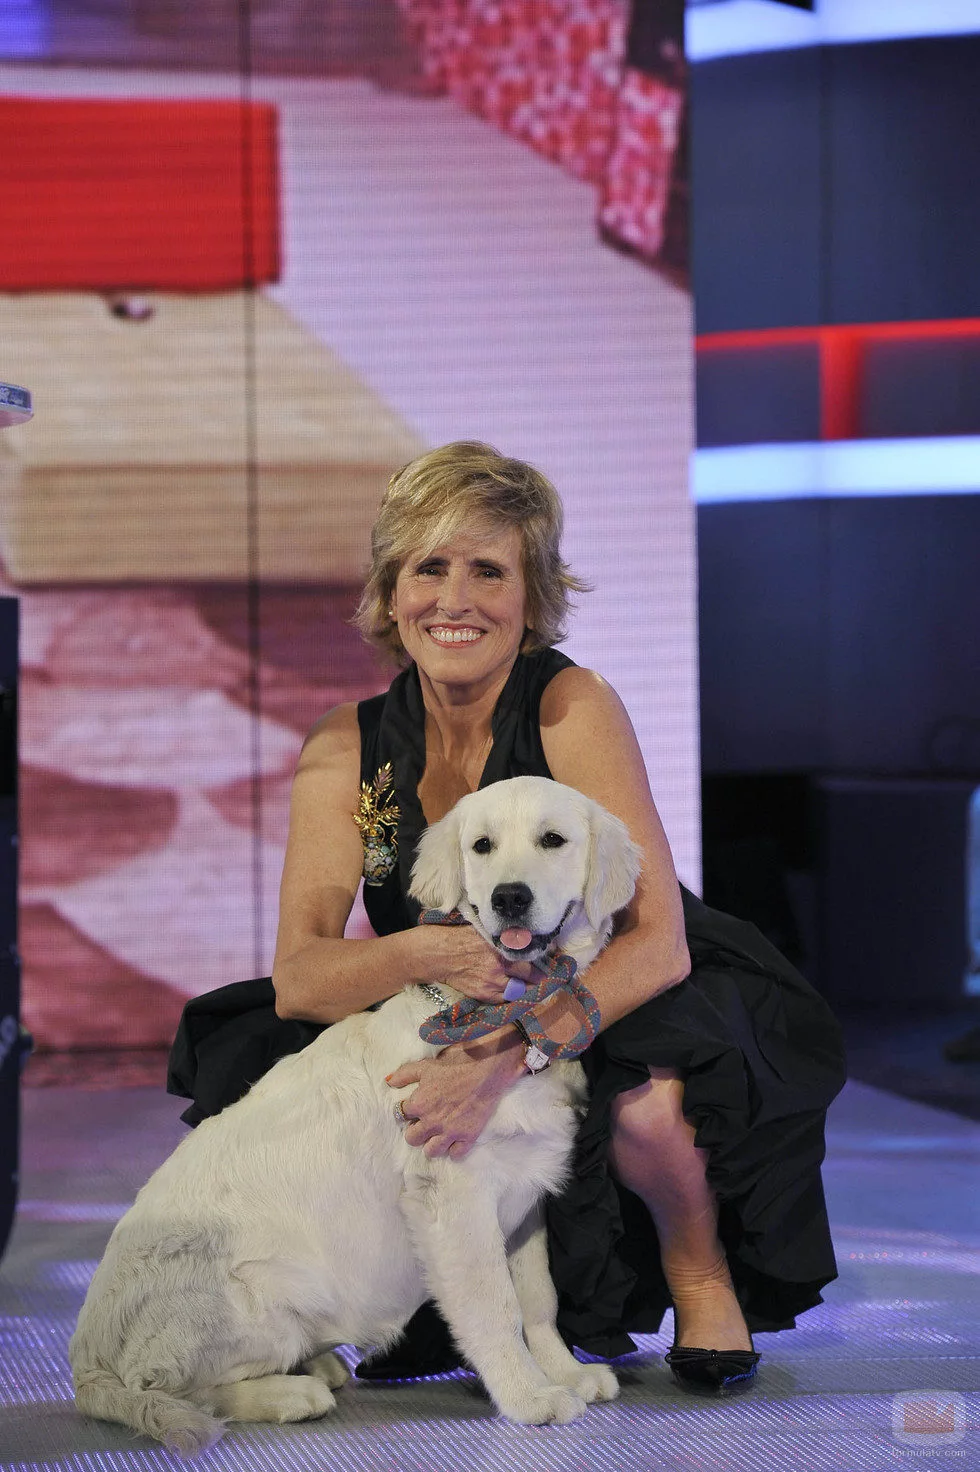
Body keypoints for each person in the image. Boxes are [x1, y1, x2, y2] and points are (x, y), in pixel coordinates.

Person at [169, 441, 846, 1396]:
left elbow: (657, 940)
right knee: (265, 1072)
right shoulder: (346, 747)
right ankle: (371, 1302)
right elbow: (302, 977)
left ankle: (701, 1279)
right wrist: (423, 951)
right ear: (390, 593)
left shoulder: (571, 704)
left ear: (533, 596)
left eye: (489, 570)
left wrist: (503, 1056)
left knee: (647, 1105)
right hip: (445, 983)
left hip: (609, 969)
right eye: (428, 567)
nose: (456, 599)